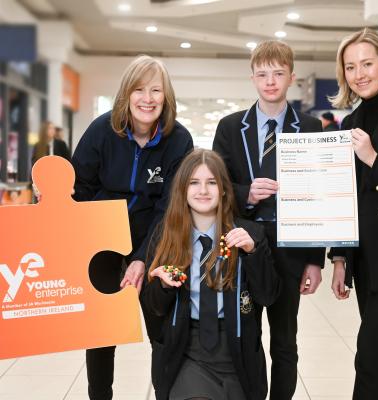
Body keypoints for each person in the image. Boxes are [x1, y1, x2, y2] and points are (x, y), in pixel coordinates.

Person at [71, 55, 193, 400]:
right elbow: (79, 189)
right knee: (101, 334)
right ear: (126, 94)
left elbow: (170, 207)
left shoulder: (178, 140)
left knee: (162, 332)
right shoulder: (101, 130)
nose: (148, 98)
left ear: (166, 97)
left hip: (157, 243)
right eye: (139, 89)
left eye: (156, 90)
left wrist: (143, 258)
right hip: (103, 245)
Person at [213, 40, 326, 400]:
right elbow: (216, 185)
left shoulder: (310, 127)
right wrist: (246, 191)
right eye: (262, 74)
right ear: (252, 78)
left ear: (291, 77)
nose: (270, 81)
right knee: (246, 338)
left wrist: (315, 260)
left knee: (284, 341)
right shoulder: (230, 127)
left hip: (292, 248)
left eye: (278, 73)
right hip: (244, 244)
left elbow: (319, 196)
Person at [140, 149, 280, 400]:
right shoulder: (165, 236)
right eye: (194, 183)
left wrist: (253, 253)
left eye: (211, 183)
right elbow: (153, 308)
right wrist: (162, 286)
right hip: (186, 350)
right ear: (182, 190)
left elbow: (268, 296)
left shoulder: (249, 234)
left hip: (236, 351)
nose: (203, 190)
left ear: (224, 189)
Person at [329, 28, 378, 400]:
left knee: (371, 358)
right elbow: (346, 199)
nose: (360, 73)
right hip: (369, 261)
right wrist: (341, 257)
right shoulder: (350, 121)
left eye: (368, 63)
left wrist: (373, 158)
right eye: (351, 66)